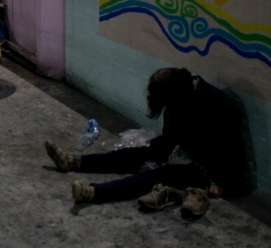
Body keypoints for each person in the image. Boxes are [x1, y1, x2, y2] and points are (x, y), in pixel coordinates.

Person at [44, 67, 246, 216]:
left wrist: (218, 182)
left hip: (208, 167)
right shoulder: (181, 98)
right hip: (186, 152)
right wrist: (153, 155)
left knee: (157, 175)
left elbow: (230, 153)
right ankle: (73, 161)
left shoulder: (218, 106)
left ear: (177, 96)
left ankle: (94, 192)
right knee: (136, 156)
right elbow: (168, 140)